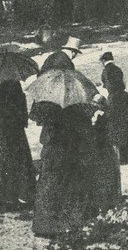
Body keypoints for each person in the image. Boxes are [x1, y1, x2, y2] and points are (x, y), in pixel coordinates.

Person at [32, 101, 95, 238]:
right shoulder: (75, 113)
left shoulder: (52, 117)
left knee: (48, 190)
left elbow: (44, 139)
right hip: (66, 158)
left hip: (52, 158)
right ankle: (64, 224)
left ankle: (47, 227)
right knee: (63, 190)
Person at [0, 81, 36, 216]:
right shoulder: (20, 96)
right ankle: (14, 200)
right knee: (16, 169)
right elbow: (24, 121)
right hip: (16, 139)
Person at [100, 59, 128, 163]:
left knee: (115, 127)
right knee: (126, 124)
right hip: (124, 98)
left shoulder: (105, 71)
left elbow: (107, 85)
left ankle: (120, 156)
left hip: (114, 100)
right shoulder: (118, 69)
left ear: (103, 61)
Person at [89, 95, 122, 215]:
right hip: (109, 150)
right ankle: (112, 201)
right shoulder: (108, 116)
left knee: (104, 176)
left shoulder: (102, 117)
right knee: (110, 175)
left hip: (104, 150)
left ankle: (106, 203)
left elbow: (99, 134)